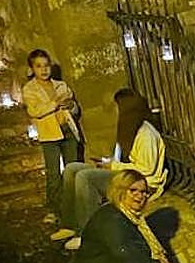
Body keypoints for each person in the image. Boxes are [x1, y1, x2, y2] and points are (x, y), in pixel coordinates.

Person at [53, 89, 167, 251]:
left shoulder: (145, 134)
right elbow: (121, 160)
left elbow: (145, 169)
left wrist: (113, 166)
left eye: (117, 107)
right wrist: (107, 162)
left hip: (142, 181)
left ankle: (89, 235)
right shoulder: (128, 129)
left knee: (85, 178)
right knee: (72, 169)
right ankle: (71, 224)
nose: (114, 110)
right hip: (127, 174)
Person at [22, 49, 82, 221]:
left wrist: (71, 106)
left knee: (73, 169)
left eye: (46, 65)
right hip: (49, 135)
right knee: (53, 173)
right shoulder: (30, 89)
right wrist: (55, 103)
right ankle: (53, 209)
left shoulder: (61, 86)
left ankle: (75, 204)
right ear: (32, 68)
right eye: (39, 66)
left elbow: (74, 108)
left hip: (68, 130)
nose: (44, 70)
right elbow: (35, 111)